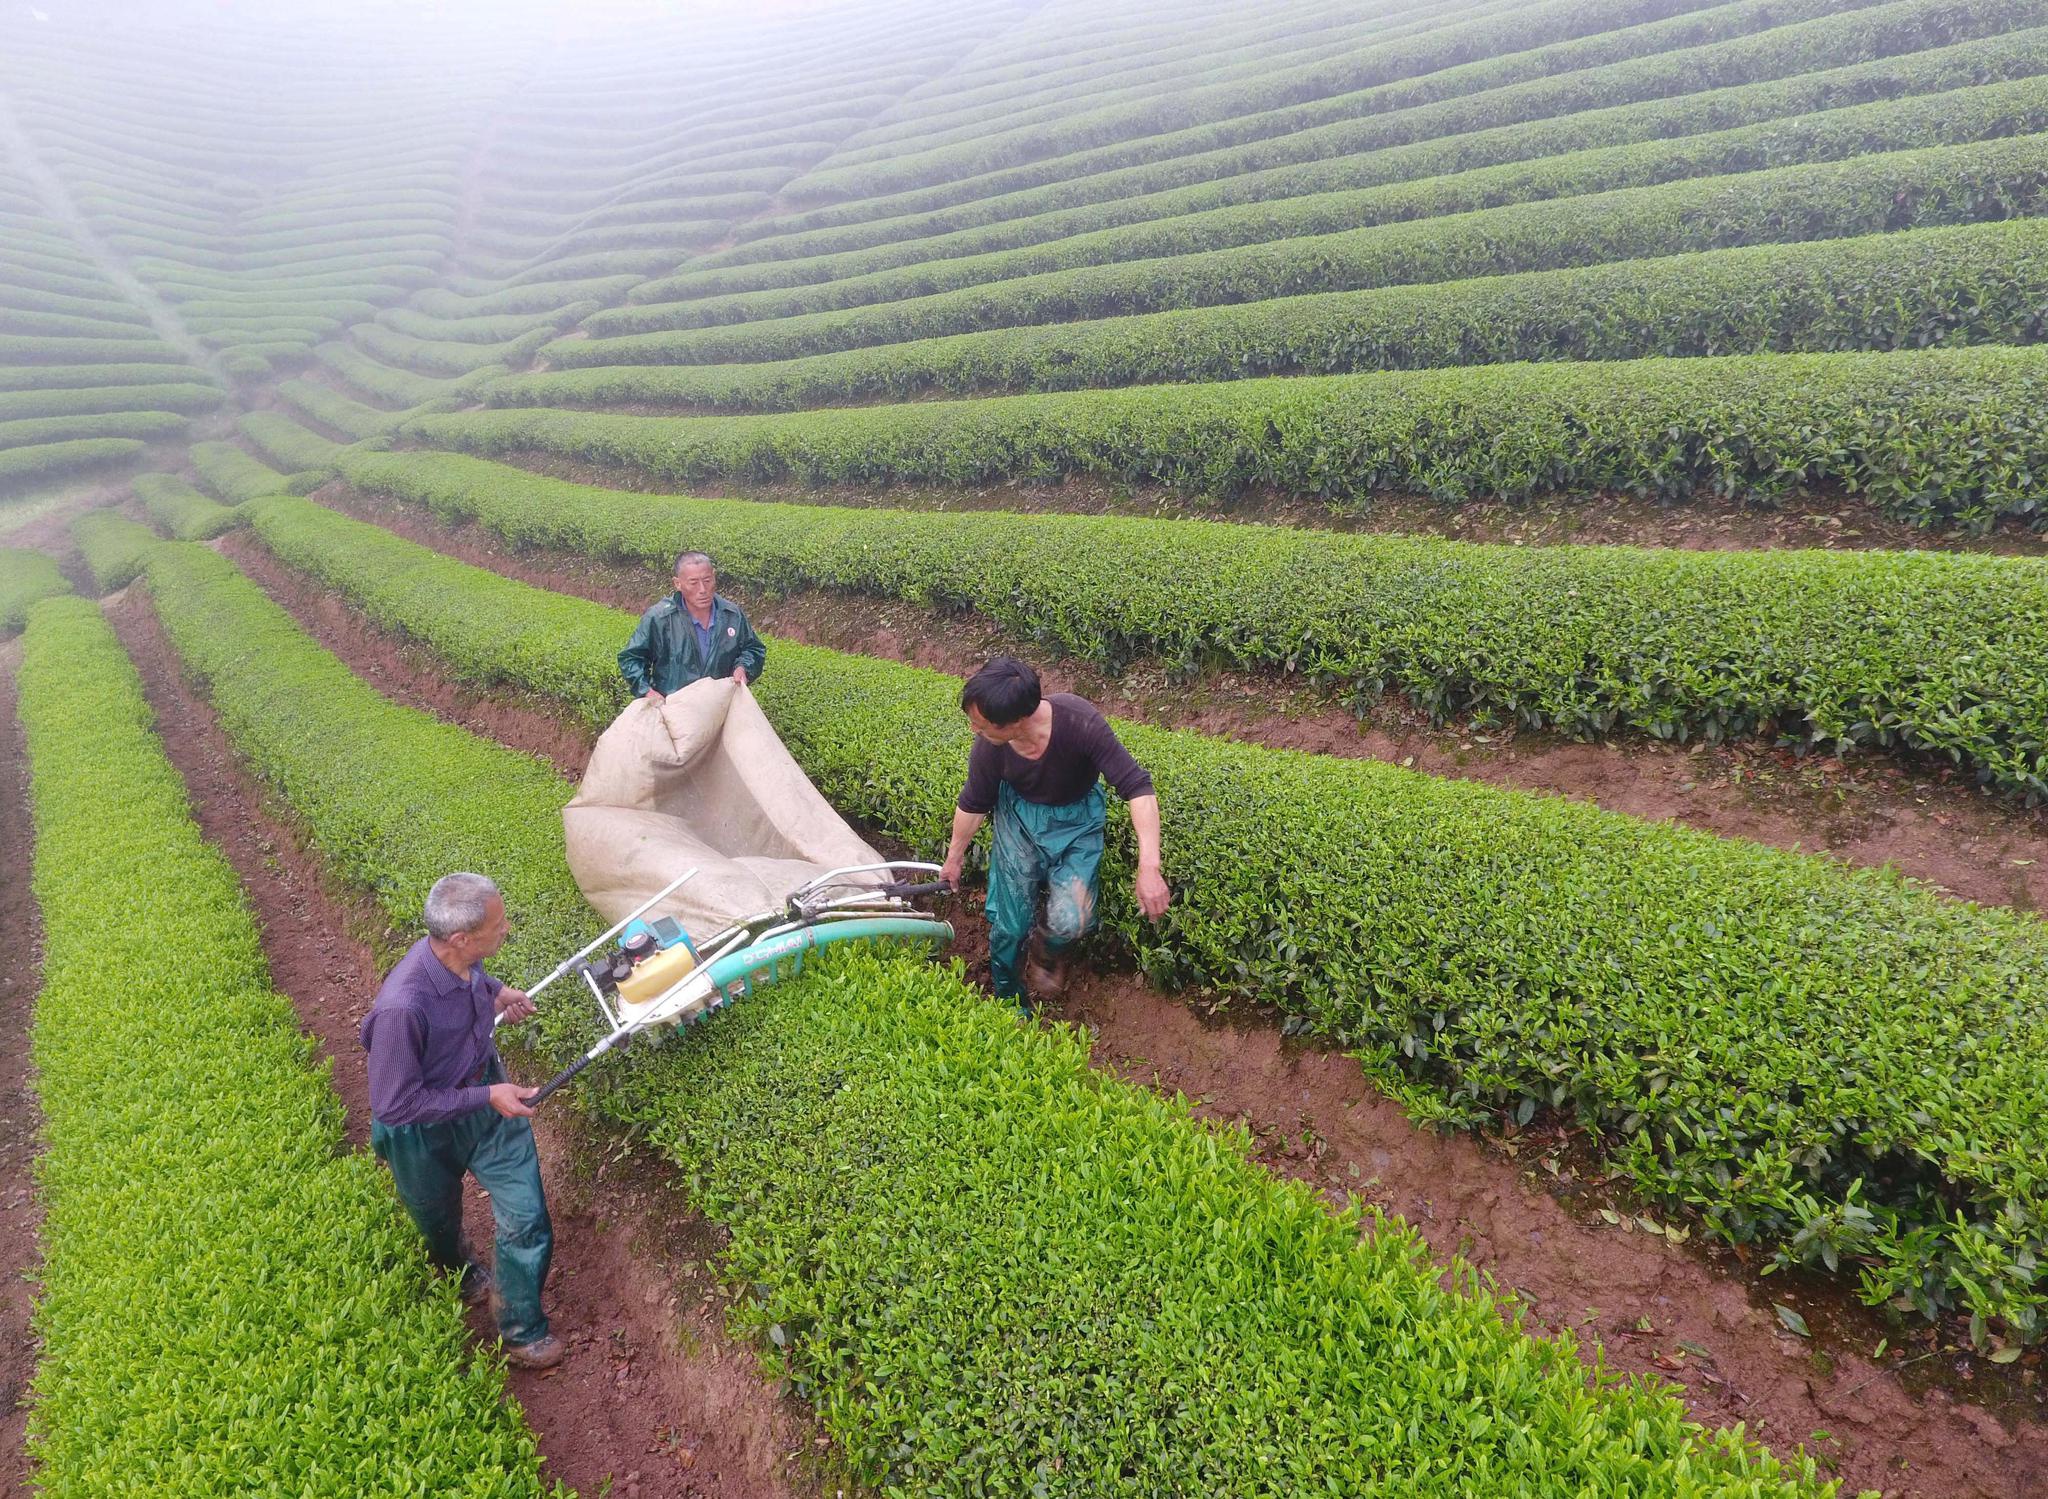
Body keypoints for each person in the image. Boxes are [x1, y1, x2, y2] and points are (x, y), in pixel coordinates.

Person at [361, 872, 563, 1370]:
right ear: (460, 938)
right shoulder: (401, 1008)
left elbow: (471, 981)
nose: (507, 929)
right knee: (438, 1221)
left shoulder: (457, 961)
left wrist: (498, 994)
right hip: (420, 1132)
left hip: (483, 1100)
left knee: (526, 1216)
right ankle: (461, 1271)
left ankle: (521, 1331)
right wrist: (485, 1096)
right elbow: (393, 1105)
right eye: (498, 925)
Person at [939, 657, 1169, 1010]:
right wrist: (953, 859)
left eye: (981, 725)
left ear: (1016, 721)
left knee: (1072, 920)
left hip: (1078, 820)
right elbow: (973, 803)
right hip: (1019, 820)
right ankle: (1008, 995)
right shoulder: (991, 749)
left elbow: (1137, 787)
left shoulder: (1079, 722)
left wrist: (1149, 867)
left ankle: (1046, 953)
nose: (974, 731)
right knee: (1010, 927)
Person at [618, 549, 766, 704]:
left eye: (707, 581)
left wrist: (743, 668)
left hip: (720, 707)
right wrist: (647, 692)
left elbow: (753, 649)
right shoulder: (660, 618)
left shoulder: (732, 615)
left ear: (714, 577)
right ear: (678, 583)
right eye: (694, 583)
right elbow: (631, 658)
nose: (702, 590)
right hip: (674, 710)